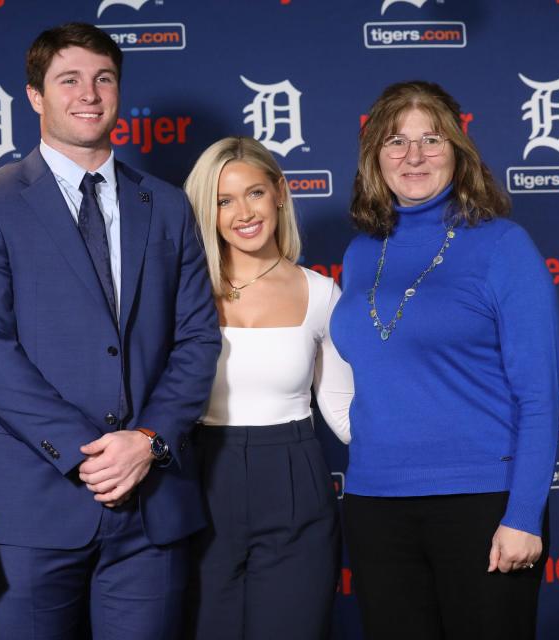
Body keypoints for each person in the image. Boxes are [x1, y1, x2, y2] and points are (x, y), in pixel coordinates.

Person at [0, 22, 221, 640]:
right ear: (35, 97)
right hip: (36, 509)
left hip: (154, 505)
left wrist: (147, 439)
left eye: (103, 78)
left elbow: (198, 338)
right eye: (69, 79)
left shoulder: (167, 205)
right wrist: (88, 455)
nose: (89, 93)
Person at [330, 81, 559, 639]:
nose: (413, 157)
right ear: (374, 158)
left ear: (458, 151)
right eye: (395, 142)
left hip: (482, 503)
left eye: (431, 139)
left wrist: (524, 515)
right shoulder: (362, 251)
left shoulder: (503, 246)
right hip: (375, 506)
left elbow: (540, 395)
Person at [182, 136, 353, 639]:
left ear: (279, 192)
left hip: (294, 481)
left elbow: (343, 413)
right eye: (223, 200)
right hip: (199, 480)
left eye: (254, 193)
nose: (243, 212)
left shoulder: (322, 294)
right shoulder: (183, 292)